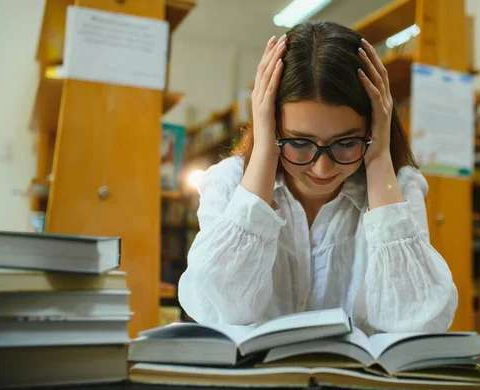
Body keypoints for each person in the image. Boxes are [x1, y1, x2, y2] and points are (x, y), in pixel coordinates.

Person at [178, 21, 457, 334]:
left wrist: (378, 159)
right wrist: (265, 156)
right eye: (298, 143)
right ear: (271, 125)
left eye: (347, 142)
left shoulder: (398, 187)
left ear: (372, 129)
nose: (322, 169)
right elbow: (222, 311)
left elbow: (417, 321)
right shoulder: (228, 182)